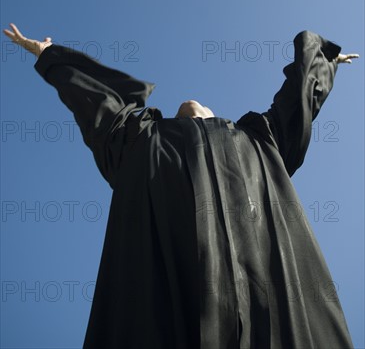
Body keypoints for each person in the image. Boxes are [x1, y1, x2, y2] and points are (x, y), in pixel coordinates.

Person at [3, 23, 359, 349]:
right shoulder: (139, 141)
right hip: (173, 299)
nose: (190, 102)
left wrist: (324, 62)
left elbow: (297, 100)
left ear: (215, 114)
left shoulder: (259, 139)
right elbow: (95, 102)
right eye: (179, 110)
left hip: (265, 292)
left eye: (201, 104)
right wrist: (48, 55)